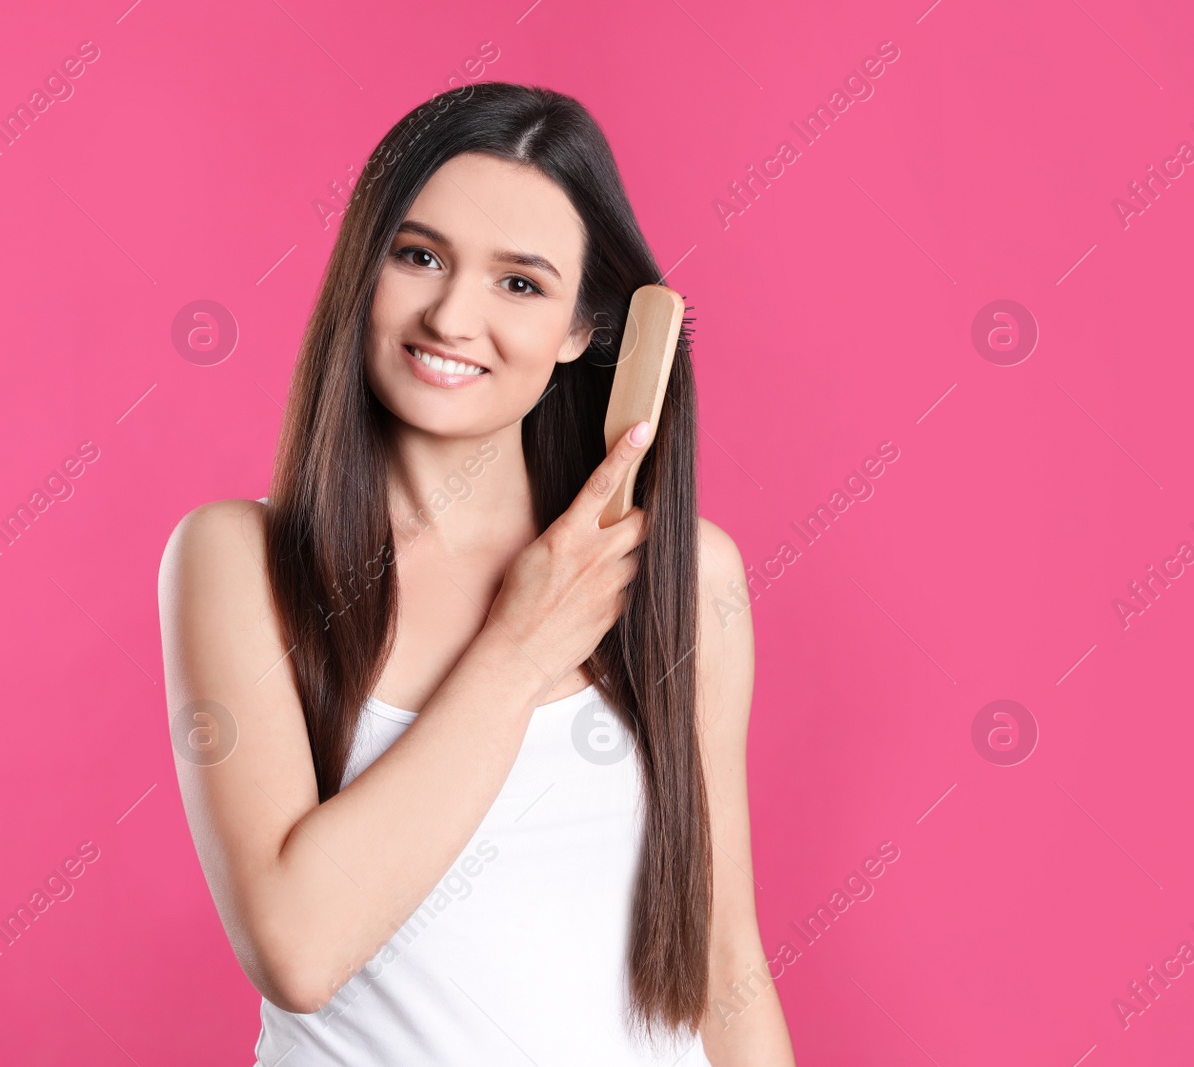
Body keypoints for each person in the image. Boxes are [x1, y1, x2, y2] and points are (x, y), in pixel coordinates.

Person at [158, 82, 795, 1065]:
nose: (453, 313)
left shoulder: (681, 574)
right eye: (418, 256)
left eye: (520, 283)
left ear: (584, 329)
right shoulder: (237, 560)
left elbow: (722, 962)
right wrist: (519, 646)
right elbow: (298, 947)